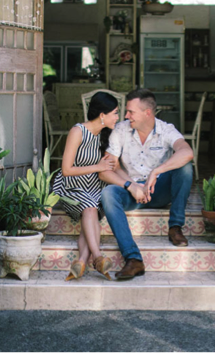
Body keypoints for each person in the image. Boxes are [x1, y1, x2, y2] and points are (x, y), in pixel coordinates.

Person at [99, 88, 194, 281]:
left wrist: (156, 172)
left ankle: (175, 226)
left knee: (185, 168)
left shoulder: (166, 129)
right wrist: (131, 185)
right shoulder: (121, 130)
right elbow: (106, 169)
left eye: (130, 112)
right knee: (108, 193)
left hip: (159, 191)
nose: (126, 116)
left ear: (147, 113)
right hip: (132, 193)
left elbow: (186, 152)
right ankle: (133, 259)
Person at [51, 92, 119, 281]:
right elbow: (66, 170)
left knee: (91, 213)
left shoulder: (106, 135)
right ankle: (98, 257)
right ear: (102, 115)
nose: (117, 117)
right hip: (72, 187)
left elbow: (112, 165)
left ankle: (81, 261)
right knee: (90, 208)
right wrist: (98, 166)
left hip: (94, 188)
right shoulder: (78, 131)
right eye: (115, 113)